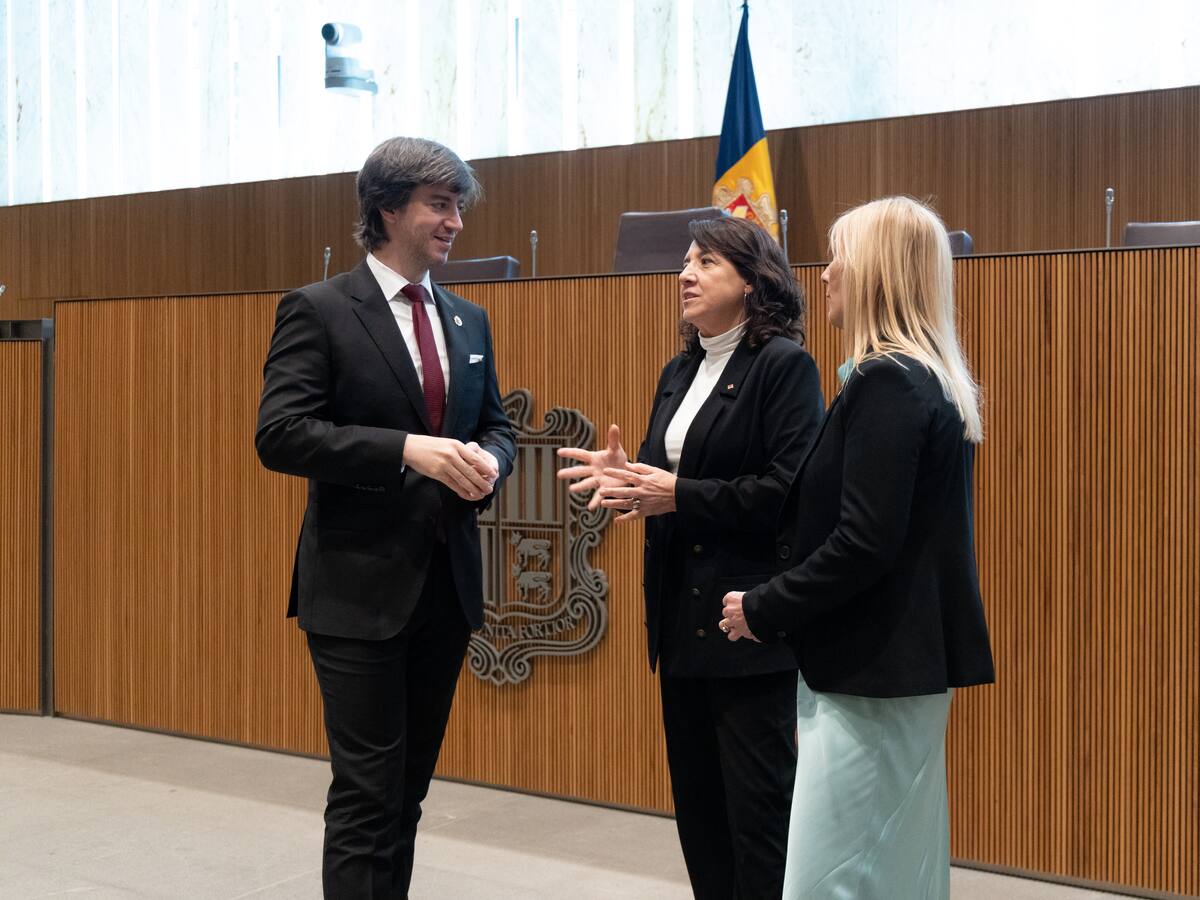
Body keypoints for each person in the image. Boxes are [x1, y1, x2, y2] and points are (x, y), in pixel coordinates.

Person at [255, 136, 516, 899]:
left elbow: (496, 425)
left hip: (445, 590)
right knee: (367, 799)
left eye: (458, 205)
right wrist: (406, 449)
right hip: (356, 592)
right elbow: (281, 434)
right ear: (388, 208)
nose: (455, 221)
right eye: (439, 204)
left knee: (406, 795)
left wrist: (491, 461)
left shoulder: (468, 321)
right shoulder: (319, 309)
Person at [719, 196, 995, 899]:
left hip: (871, 673)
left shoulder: (888, 382)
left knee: (831, 880)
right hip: (892, 671)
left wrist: (764, 606)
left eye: (840, 256)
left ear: (875, 272)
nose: (825, 272)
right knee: (897, 870)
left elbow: (865, 542)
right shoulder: (921, 378)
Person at [558, 216, 824, 899]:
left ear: (752, 282)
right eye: (685, 262)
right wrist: (626, 479)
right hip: (679, 622)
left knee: (758, 818)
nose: (685, 274)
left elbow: (788, 492)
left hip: (744, 624)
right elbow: (664, 482)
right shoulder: (679, 370)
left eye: (706, 262)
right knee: (700, 815)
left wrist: (678, 494)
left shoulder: (783, 367)